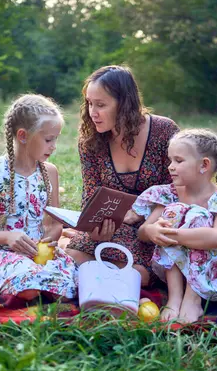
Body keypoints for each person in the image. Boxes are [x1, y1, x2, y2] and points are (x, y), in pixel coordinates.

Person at [65, 65, 179, 286]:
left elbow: (180, 188)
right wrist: (94, 228)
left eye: (101, 105)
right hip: (114, 230)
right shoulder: (90, 140)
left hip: (157, 226)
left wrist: (142, 215)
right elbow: (91, 194)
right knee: (74, 256)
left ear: (124, 104)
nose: (92, 112)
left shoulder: (164, 131)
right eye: (89, 103)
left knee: (140, 275)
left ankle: (106, 272)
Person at [133, 129, 217, 323]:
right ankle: (175, 297)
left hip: (214, 273)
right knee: (175, 210)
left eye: (178, 161)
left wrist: (172, 235)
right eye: (170, 160)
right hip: (175, 272)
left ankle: (192, 300)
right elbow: (143, 232)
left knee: (196, 215)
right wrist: (152, 231)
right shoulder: (169, 194)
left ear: (204, 165)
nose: (170, 167)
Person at [0, 94, 77, 301]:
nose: (54, 146)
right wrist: (8, 237)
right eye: (48, 139)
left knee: (71, 284)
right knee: (28, 288)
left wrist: (50, 239)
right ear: (23, 135)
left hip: (37, 252)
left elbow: (55, 224)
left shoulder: (50, 172)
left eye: (56, 139)